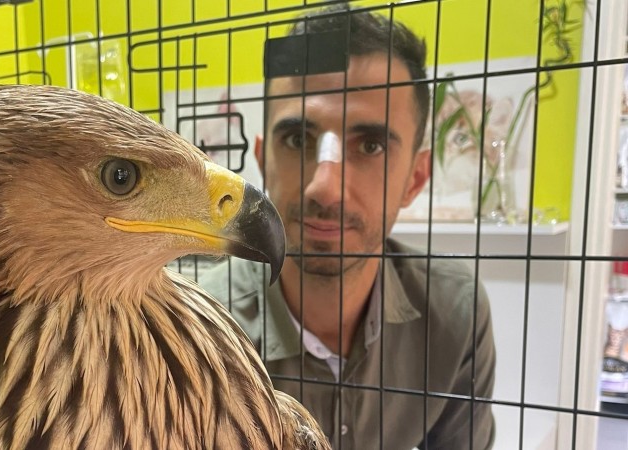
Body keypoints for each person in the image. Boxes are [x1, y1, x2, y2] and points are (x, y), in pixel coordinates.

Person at [198, 5, 496, 450]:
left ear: (415, 179)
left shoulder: (455, 315)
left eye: (370, 145)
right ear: (263, 159)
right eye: (297, 139)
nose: (325, 186)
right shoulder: (196, 330)